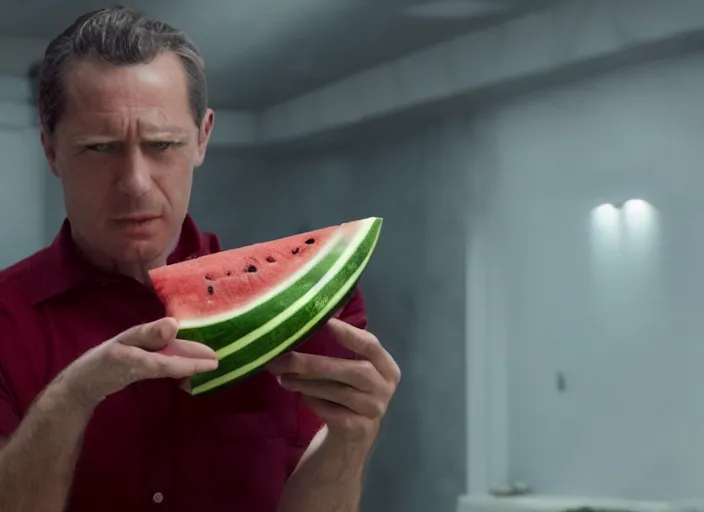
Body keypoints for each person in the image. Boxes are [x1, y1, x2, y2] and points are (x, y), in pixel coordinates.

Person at [0, 7, 400, 512]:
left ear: (202, 138)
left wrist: (350, 442)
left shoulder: (311, 309)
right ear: (51, 151)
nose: (136, 182)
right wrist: (72, 396)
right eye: (99, 148)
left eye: (162, 144)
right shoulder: (4, 321)